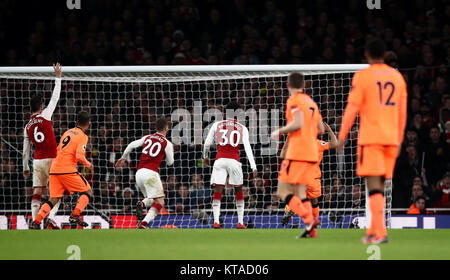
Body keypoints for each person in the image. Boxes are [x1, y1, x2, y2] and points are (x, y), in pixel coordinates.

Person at [337, 38, 408, 244]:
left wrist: (342, 136)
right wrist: (400, 138)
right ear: (385, 56)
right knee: (381, 185)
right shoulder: (397, 78)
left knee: (373, 186)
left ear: (367, 55)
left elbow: (352, 108)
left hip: (371, 138)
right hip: (391, 138)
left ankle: (380, 232)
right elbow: (402, 113)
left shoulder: (363, 76)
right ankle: (374, 230)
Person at [271, 72, 325, 238]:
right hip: (311, 153)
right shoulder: (312, 103)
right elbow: (321, 129)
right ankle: (311, 231)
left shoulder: (293, 100)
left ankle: (309, 219)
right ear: (304, 85)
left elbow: (298, 123)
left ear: (288, 85)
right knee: (301, 193)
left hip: (298, 152)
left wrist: (279, 131)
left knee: (282, 191)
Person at [32, 111, 94, 229]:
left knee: (53, 199)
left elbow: (58, 149)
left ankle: (36, 222)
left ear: (76, 122)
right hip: (67, 170)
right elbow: (79, 156)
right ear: (88, 124)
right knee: (88, 192)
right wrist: (89, 165)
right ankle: (75, 214)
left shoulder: (67, 132)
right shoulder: (83, 136)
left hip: (54, 170)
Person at [203, 101, 258, 229]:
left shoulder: (217, 125)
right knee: (238, 190)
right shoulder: (242, 127)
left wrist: (205, 157)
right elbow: (248, 148)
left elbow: (207, 143)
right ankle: (240, 222)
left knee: (218, 191)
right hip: (234, 161)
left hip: (220, 160)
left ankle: (216, 221)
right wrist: (253, 166)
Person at [281, 121, 338, 238]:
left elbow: (282, 154)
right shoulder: (318, 143)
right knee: (314, 202)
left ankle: (290, 210)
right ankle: (314, 223)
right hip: (314, 179)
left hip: (300, 177)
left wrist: (288, 140)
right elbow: (334, 144)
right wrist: (329, 130)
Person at [23, 63, 62, 229]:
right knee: (56, 192)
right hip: (52, 159)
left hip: (37, 161)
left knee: (37, 192)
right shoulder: (46, 115)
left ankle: (35, 221)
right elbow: (55, 97)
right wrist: (58, 77)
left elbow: (26, 150)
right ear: (41, 106)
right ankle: (51, 218)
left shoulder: (27, 126)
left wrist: (25, 167)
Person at [115, 118, 174, 228]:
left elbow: (132, 144)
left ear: (155, 128)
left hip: (139, 173)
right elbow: (170, 163)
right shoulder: (167, 143)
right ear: (167, 128)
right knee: (160, 202)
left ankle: (141, 205)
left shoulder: (147, 137)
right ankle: (144, 221)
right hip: (151, 173)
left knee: (152, 199)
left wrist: (123, 158)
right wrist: (166, 156)